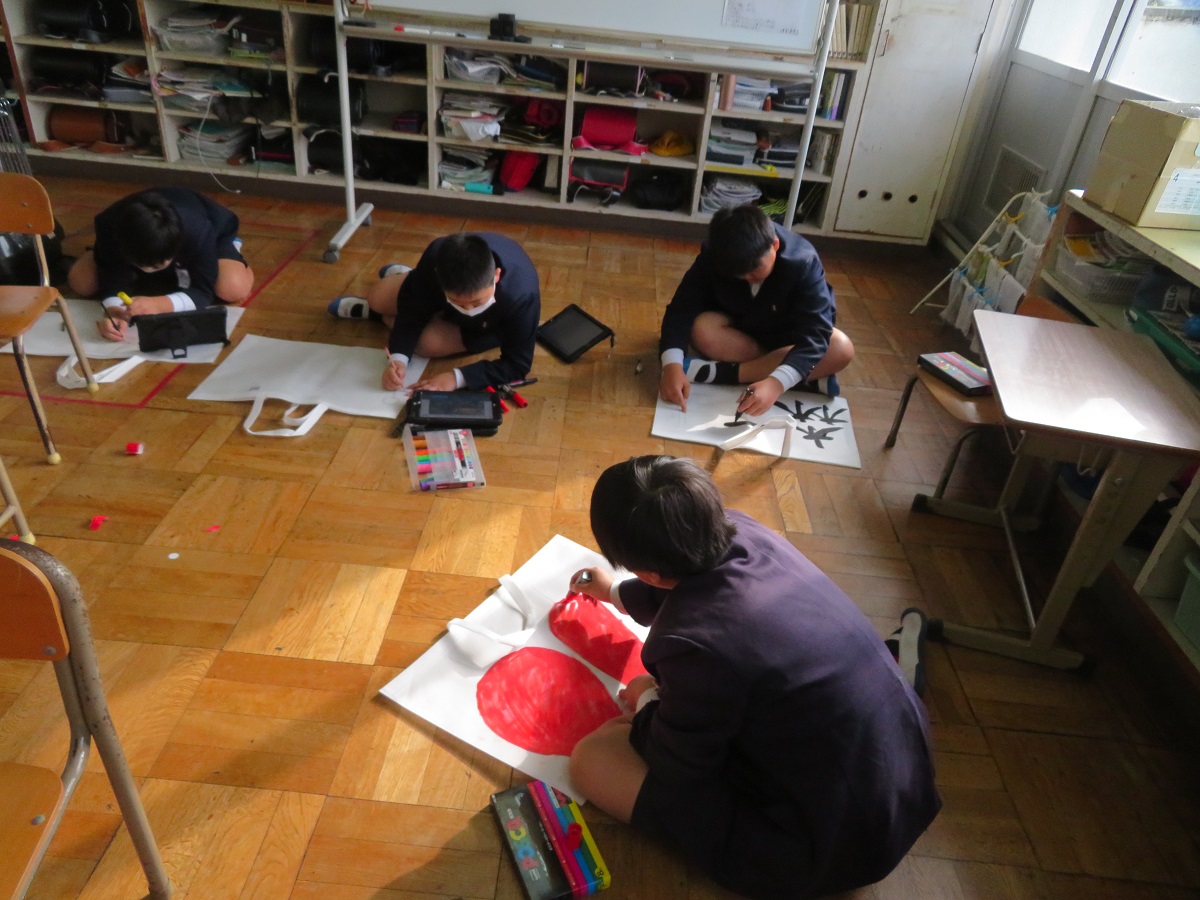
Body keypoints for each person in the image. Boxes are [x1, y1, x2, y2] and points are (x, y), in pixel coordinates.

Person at [567, 456, 940, 900]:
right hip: (906, 785)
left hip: (833, 843)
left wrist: (647, 698)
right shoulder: (743, 529)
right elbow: (692, 580)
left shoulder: (693, 644)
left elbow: (677, 765)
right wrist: (613, 592)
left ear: (647, 573)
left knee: (593, 758)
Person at [659, 203, 854, 415]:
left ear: (775, 245)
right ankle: (805, 377)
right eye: (739, 275)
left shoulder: (803, 262)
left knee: (840, 348)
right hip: (743, 333)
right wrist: (672, 366)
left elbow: (816, 333)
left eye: (755, 270)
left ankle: (724, 374)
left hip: (787, 338)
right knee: (701, 328)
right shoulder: (716, 254)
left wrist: (776, 383)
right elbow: (681, 308)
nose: (748, 278)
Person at [328, 232, 539, 392]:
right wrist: (399, 358)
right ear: (439, 277)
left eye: (477, 302)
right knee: (376, 298)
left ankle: (382, 310)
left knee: (427, 344)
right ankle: (409, 279)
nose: (468, 309)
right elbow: (411, 308)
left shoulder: (521, 294)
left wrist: (456, 378)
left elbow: (517, 364)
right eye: (458, 301)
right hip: (437, 297)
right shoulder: (436, 256)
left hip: (490, 326)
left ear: (497, 276)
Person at [68, 187, 254, 342]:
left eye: (156, 266)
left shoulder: (197, 230)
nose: (148, 269)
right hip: (137, 246)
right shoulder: (109, 226)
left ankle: (233, 252)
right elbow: (112, 281)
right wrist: (114, 310)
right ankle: (97, 253)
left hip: (213, 236)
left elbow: (202, 291)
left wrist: (159, 304)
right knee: (81, 282)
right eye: (142, 265)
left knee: (232, 287)